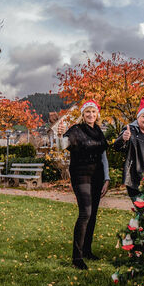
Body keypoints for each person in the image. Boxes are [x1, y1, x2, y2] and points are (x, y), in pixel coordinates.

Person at [60, 100, 110, 270]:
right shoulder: (76, 130)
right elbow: (65, 143)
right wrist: (59, 136)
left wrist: (107, 179)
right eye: (87, 112)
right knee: (85, 213)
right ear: (83, 114)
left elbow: (103, 156)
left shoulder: (98, 132)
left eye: (93, 112)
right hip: (81, 175)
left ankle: (87, 250)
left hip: (97, 176)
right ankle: (77, 257)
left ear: (97, 114)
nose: (90, 115)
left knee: (93, 214)